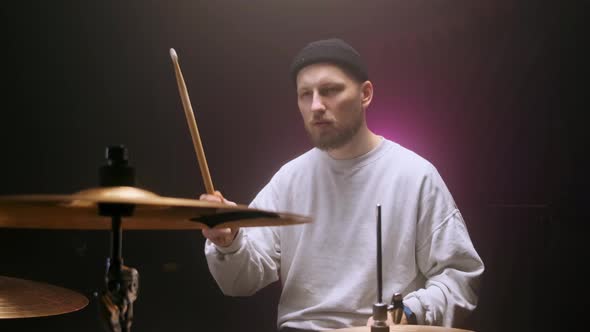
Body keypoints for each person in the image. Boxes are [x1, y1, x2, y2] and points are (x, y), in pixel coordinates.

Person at [200, 38, 484, 332]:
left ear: (365, 94)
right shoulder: (289, 179)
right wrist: (229, 240)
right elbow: (240, 283)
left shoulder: (415, 175)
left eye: (330, 91)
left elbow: (460, 277)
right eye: (305, 94)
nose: (316, 106)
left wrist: (409, 312)